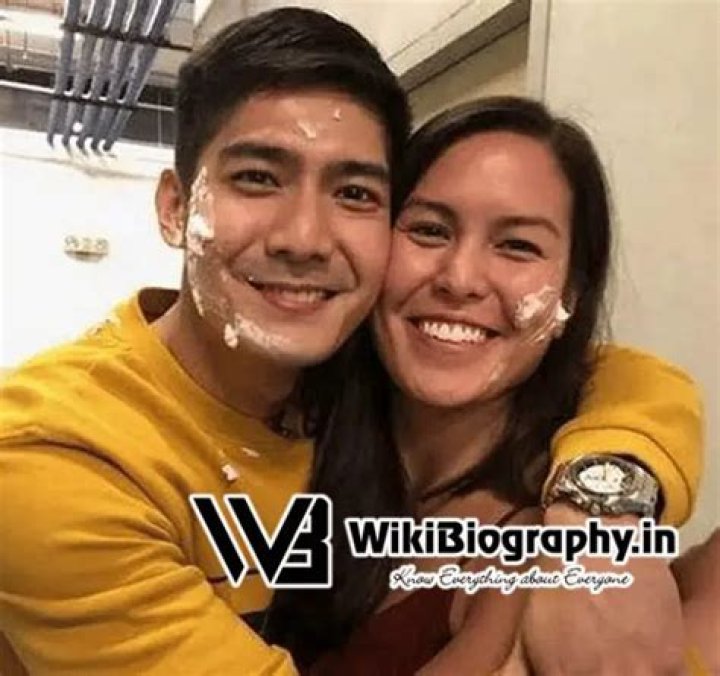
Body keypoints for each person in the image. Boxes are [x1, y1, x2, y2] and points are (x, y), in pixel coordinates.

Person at [0, 10, 702, 676]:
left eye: (356, 194)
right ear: (175, 207)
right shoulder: (54, 456)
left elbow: (630, 378)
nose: (305, 239)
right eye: (257, 179)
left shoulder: (331, 375)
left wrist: (600, 509)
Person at [263, 96, 708, 676]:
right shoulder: (286, 423)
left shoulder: (542, 553)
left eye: (517, 245)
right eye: (429, 230)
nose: (460, 279)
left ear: (571, 295)